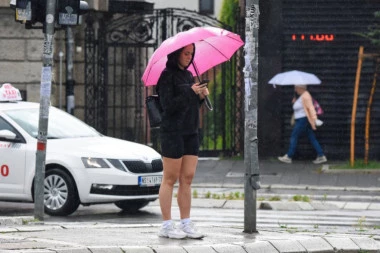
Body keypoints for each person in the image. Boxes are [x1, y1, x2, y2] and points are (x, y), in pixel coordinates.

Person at [155, 44, 209, 239]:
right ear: (176, 54)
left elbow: (190, 104)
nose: (189, 57)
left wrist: (201, 96)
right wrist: (190, 91)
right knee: (170, 178)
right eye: (186, 53)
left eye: (191, 54)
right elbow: (167, 106)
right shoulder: (166, 76)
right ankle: (167, 225)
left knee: (187, 178)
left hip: (190, 131)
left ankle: (186, 222)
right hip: (172, 131)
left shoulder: (188, 76)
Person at [278, 85, 327, 164]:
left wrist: (314, 118)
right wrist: (294, 102)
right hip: (301, 120)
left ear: (301, 88)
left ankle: (289, 156)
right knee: (311, 137)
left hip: (303, 120)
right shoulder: (302, 96)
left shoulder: (306, 96)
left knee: (294, 136)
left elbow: (311, 108)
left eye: (296, 87)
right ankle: (321, 155)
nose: (295, 89)